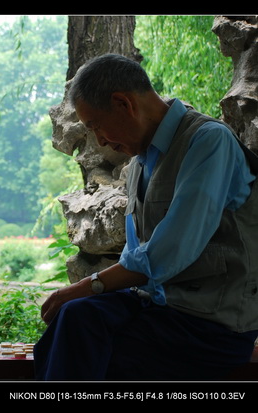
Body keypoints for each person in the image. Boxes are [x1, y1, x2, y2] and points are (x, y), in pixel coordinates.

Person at [34, 54, 258, 381]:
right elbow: (135, 253)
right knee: (73, 319)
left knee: (103, 356)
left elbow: (170, 251)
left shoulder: (208, 141)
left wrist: (86, 285)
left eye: (96, 126)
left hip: (210, 324)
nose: (100, 141)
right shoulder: (140, 161)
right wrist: (82, 294)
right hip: (156, 307)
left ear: (123, 103)